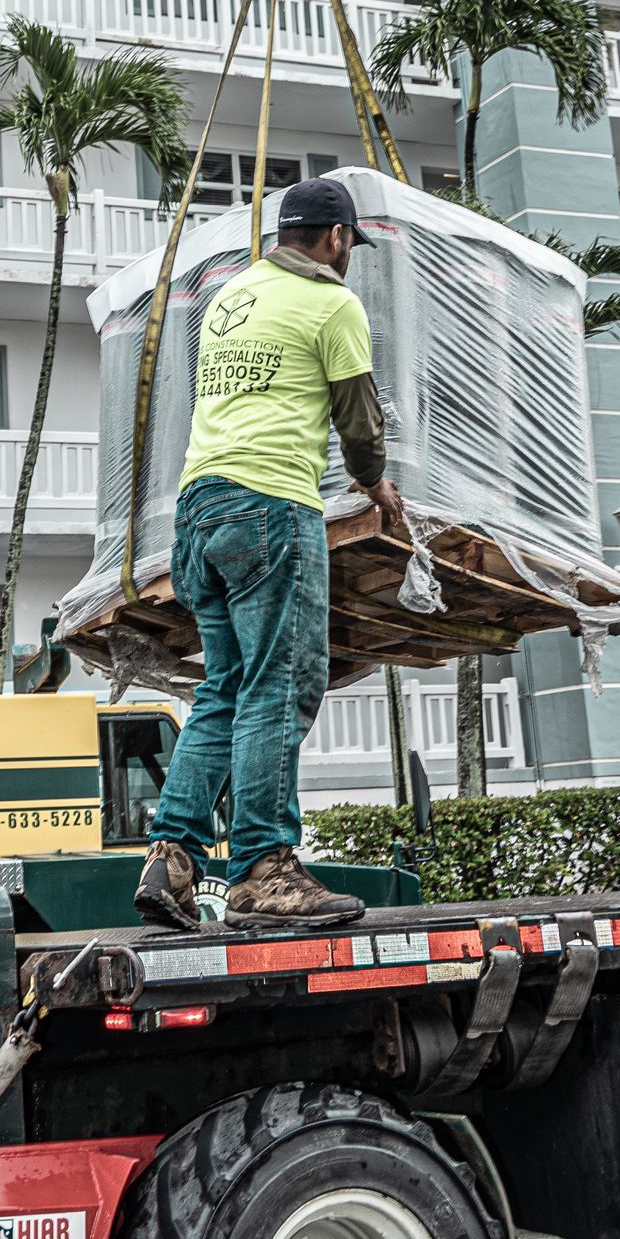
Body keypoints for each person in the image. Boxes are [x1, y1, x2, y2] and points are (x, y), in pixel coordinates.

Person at [136, 174, 408, 930]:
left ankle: (172, 857)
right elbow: (360, 423)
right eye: (349, 240)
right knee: (280, 685)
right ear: (332, 238)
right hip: (268, 506)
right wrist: (375, 486)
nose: (349, 253)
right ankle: (264, 870)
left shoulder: (234, 296)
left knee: (225, 687)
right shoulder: (331, 303)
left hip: (200, 509)